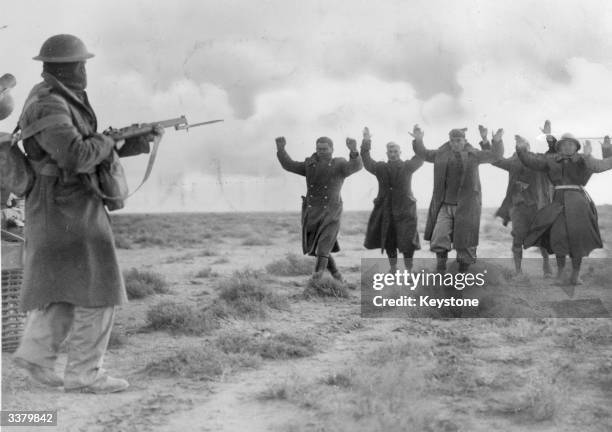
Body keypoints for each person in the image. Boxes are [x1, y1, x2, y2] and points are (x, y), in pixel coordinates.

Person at [12, 34, 164, 393]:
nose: (84, 70)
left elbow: (78, 150)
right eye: (80, 64)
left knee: (66, 285)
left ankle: (35, 355)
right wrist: (111, 141)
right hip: (65, 208)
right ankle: (85, 374)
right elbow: (76, 156)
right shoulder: (49, 105)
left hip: (64, 205)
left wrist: (130, 143)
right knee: (101, 288)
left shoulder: (59, 98)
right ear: (66, 67)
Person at [515, 133, 612, 285]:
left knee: (577, 238)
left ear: (576, 147)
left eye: (571, 144)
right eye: (564, 144)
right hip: (558, 202)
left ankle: (575, 275)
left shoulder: (584, 159)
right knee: (558, 236)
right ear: (558, 148)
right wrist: (521, 148)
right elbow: (531, 161)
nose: (567, 147)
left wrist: (606, 149)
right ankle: (560, 275)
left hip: (579, 204)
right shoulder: (551, 160)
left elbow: (603, 165)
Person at [411, 124, 504, 272]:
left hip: (467, 207)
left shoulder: (474, 155)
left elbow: (495, 156)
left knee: (465, 244)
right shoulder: (440, 155)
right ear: (449, 141)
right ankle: (441, 272)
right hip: (444, 206)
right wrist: (418, 139)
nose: (456, 143)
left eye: (459, 140)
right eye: (453, 140)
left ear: (464, 141)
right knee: (439, 238)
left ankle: (462, 281)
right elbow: (422, 153)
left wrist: (497, 141)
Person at [276, 135, 362, 280]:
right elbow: (289, 165)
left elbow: (355, 166)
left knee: (323, 247)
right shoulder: (309, 165)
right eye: (319, 149)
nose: (322, 152)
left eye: (325, 149)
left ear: (332, 149)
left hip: (331, 212)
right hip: (312, 212)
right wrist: (281, 149)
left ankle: (315, 281)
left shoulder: (339, 164)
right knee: (317, 249)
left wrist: (353, 150)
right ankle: (338, 276)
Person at [483, 123, 554, 277]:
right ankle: (518, 271)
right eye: (517, 144)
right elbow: (495, 160)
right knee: (517, 237)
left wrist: (549, 136)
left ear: (528, 146)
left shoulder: (537, 159)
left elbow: (553, 156)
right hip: (519, 206)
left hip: (538, 205)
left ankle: (547, 266)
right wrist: (492, 142)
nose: (520, 146)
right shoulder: (513, 161)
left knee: (542, 236)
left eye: (522, 144)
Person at [361, 126, 423, 273]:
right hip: (386, 208)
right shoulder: (380, 168)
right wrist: (366, 140)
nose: (393, 154)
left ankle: (409, 269)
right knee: (389, 239)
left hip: (406, 209)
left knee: (408, 241)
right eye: (390, 152)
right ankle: (393, 268)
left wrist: (418, 139)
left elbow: (420, 157)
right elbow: (366, 160)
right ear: (387, 153)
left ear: (400, 152)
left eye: (396, 152)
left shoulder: (407, 166)